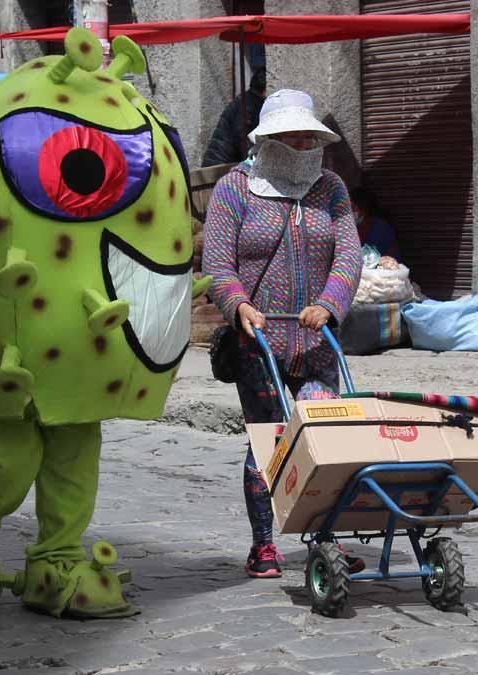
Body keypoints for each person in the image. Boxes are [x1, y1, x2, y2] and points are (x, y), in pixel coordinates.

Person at [202, 89, 363, 578]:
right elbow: (217, 262)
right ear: (267, 141)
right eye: (289, 137)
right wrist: (239, 305)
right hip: (260, 344)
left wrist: (329, 303)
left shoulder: (331, 188)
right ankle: (264, 545)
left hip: (316, 344)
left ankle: (326, 541)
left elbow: (349, 254)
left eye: (307, 137)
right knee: (268, 440)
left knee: (325, 437)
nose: (300, 145)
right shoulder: (234, 189)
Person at [201, 70, 266, 167]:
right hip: (220, 166)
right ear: (265, 89)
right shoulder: (248, 105)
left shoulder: (248, 100)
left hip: (221, 162)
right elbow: (243, 138)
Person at [350, 186, 400, 259]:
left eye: (352, 207)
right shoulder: (358, 227)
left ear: (363, 207)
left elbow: (368, 257)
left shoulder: (380, 228)